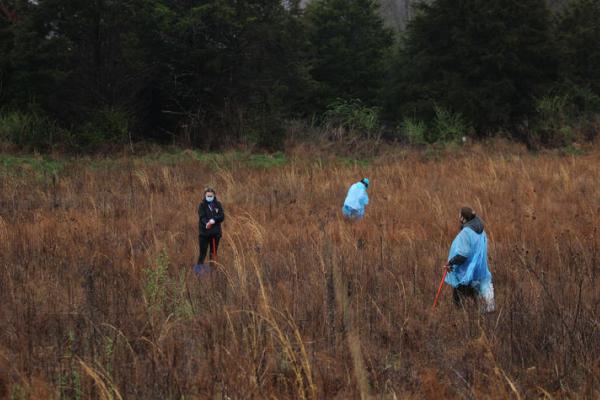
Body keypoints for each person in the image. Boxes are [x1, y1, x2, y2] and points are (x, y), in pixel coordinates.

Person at [442, 207, 495, 313]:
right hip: (479, 270)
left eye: (459, 215)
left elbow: (463, 255)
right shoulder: (480, 229)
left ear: (463, 218)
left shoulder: (466, 232)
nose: (458, 217)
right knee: (476, 296)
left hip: (466, 272)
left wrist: (451, 263)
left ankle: (461, 318)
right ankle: (480, 316)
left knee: (458, 298)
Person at [197, 187, 225, 265]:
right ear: (205, 196)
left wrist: (214, 220)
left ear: (214, 195)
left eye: (211, 196)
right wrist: (207, 223)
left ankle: (213, 273)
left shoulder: (217, 204)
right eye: (208, 196)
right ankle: (198, 273)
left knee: (213, 254)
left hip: (215, 234)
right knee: (202, 254)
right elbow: (202, 217)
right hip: (204, 234)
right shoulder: (202, 205)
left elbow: (222, 216)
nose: (209, 197)